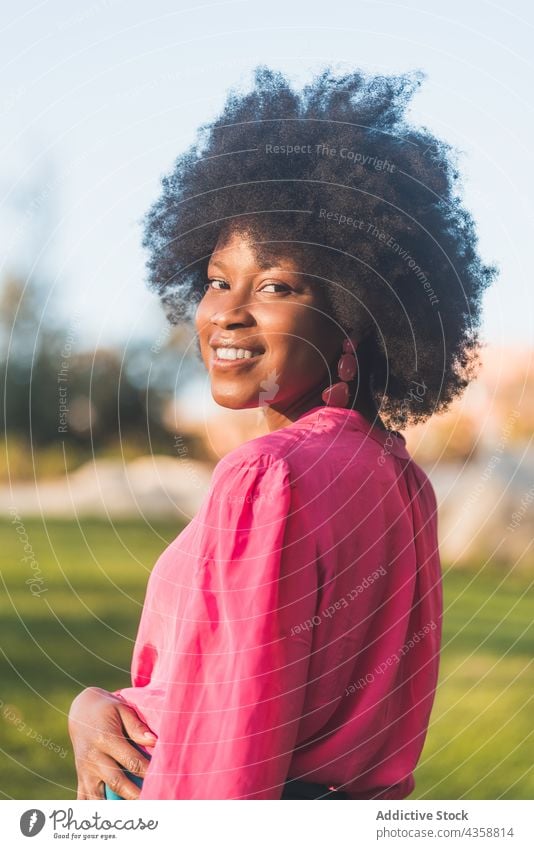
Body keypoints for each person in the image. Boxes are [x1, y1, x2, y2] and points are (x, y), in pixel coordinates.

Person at [68, 65, 495, 801]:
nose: (226, 312)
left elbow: (231, 751)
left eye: (274, 286)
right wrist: (95, 708)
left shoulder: (269, 475)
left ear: (354, 312)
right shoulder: (404, 483)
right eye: (214, 278)